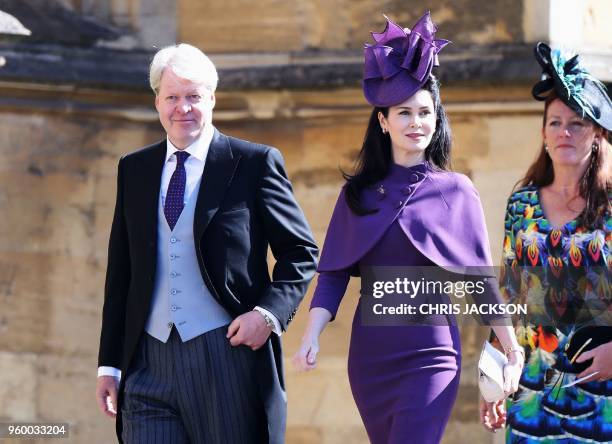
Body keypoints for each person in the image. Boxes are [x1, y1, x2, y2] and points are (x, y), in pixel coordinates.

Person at [293, 13, 523, 444]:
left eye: (424, 112)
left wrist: (511, 347)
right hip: (371, 359)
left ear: (437, 118)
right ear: (383, 121)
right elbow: (333, 273)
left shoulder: (458, 191)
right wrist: (312, 334)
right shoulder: (357, 195)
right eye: (404, 113)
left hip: (433, 355)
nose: (416, 122)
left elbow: (481, 281)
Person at [94, 43, 318, 444]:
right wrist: (109, 365)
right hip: (147, 362)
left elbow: (300, 252)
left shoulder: (253, 163)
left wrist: (266, 316)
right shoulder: (134, 169)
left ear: (212, 98)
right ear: (157, 102)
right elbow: (121, 273)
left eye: (194, 96)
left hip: (225, 355)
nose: (184, 108)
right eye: (173, 97)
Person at [482, 43, 611, 442]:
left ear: (597, 133)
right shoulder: (521, 203)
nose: (564, 132)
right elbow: (508, 290)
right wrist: (494, 369)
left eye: (576, 123)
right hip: (531, 384)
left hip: (602, 386)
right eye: (554, 123)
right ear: (543, 132)